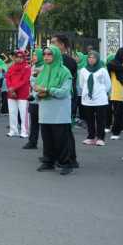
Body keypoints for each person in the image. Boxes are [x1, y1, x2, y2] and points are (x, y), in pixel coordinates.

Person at [34, 46, 78, 175]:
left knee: (61, 140)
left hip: (59, 112)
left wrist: (47, 90)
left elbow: (64, 92)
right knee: (47, 139)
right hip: (45, 111)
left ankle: (66, 163)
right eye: (45, 54)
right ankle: (48, 162)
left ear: (57, 56)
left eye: (50, 54)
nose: (46, 56)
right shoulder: (42, 70)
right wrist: (38, 93)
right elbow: (36, 88)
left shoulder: (64, 72)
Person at [78, 51, 112, 146]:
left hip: (100, 99)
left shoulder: (102, 70)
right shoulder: (83, 70)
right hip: (87, 99)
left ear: (97, 59)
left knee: (101, 119)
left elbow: (108, 84)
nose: (91, 59)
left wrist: (100, 91)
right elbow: (81, 84)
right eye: (89, 57)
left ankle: (100, 138)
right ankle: (91, 137)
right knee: (89, 119)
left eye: (93, 57)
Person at [4, 50, 31, 138]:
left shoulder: (27, 67)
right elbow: (7, 78)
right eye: (17, 57)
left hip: (22, 93)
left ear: (23, 58)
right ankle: (13, 130)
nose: (19, 59)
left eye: (21, 57)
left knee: (24, 113)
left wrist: (13, 88)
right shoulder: (12, 67)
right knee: (12, 112)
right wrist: (10, 89)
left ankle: (24, 131)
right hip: (11, 93)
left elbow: (24, 80)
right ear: (14, 58)